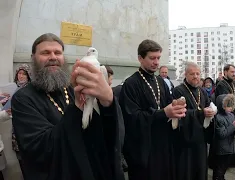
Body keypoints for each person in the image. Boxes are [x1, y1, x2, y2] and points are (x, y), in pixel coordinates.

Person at [11, 33, 125, 180]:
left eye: (58, 52)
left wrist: (107, 101)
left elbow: (103, 133)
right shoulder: (23, 99)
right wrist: (77, 107)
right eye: (45, 52)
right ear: (33, 58)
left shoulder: (73, 89)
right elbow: (40, 148)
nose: (53, 57)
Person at [119, 39, 186, 180]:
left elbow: (168, 105)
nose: (156, 62)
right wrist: (162, 113)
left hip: (162, 145)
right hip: (143, 150)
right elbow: (131, 118)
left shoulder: (160, 81)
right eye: (152, 58)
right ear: (140, 58)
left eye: (158, 58)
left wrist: (176, 109)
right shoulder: (131, 84)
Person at [172, 62, 214, 180]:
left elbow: (208, 106)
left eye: (198, 73)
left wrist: (211, 111)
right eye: (192, 74)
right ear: (185, 74)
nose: (195, 76)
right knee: (186, 171)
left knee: (200, 169)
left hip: (200, 138)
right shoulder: (178, 91)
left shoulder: (202, 91)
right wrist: (201, 113)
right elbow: (179, 113)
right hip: (185, 139)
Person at [212, 94, 235, 180]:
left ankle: (220, 177)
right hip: (222, 148)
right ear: (222, 106)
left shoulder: (231, 115)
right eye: (228, 106)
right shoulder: (218, 117)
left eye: (232, 106)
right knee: (219, 167)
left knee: (224, 166)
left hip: (230, 146)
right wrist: (234, 126)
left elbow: (233, 127)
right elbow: (222, 134)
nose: (231, 108)